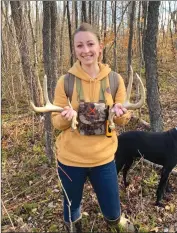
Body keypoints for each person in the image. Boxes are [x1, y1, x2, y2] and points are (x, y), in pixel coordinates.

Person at [51, 23, 132, 232]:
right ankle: (73, 226)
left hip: (103, 159)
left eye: (90, 44)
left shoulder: (115, 80)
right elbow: (56, 122)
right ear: (74, 49)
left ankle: (115, 223)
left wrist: (120, 113)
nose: (85, 50)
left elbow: (124, 120)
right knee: (71, 205)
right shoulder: (65, 82)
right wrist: (66, 117)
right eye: (79, 46)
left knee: (112, 207)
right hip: (70, 160)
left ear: (100, 46)